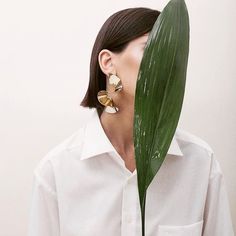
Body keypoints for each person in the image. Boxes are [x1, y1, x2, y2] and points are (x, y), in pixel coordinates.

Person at [28, 7, 235, 236]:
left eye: (172, 57)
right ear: (107, 62)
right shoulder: (56, 173)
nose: (167, 66)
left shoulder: (200, 165)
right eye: (152, 49)